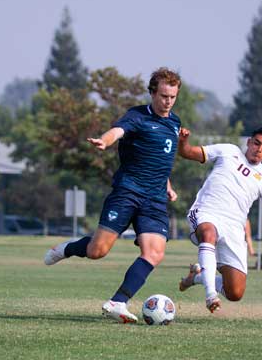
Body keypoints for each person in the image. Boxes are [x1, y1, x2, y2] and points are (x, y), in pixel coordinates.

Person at [43, 67, 182, 324]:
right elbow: (117, 132)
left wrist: (168, 185)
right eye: (163, 96)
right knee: (97, 251)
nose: (168, 102)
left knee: (154, 253)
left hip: (154, 200)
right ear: (153, 93)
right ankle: (68, 248)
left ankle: (118, 301)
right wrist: (104, 142)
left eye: (172, 97)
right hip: (127, 192)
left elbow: (162, 160)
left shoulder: (175, 123)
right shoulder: (137, 116)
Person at [177, 127, 262, 313]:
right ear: (249, 142)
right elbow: (188, 152)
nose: (259, 149)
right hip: (206, 212)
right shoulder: (229, 151)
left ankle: (197, 276)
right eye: (256, 143)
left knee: (235, 292)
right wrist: (183, 142)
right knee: (208, 233)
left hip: (234, 228)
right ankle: (210, 295)